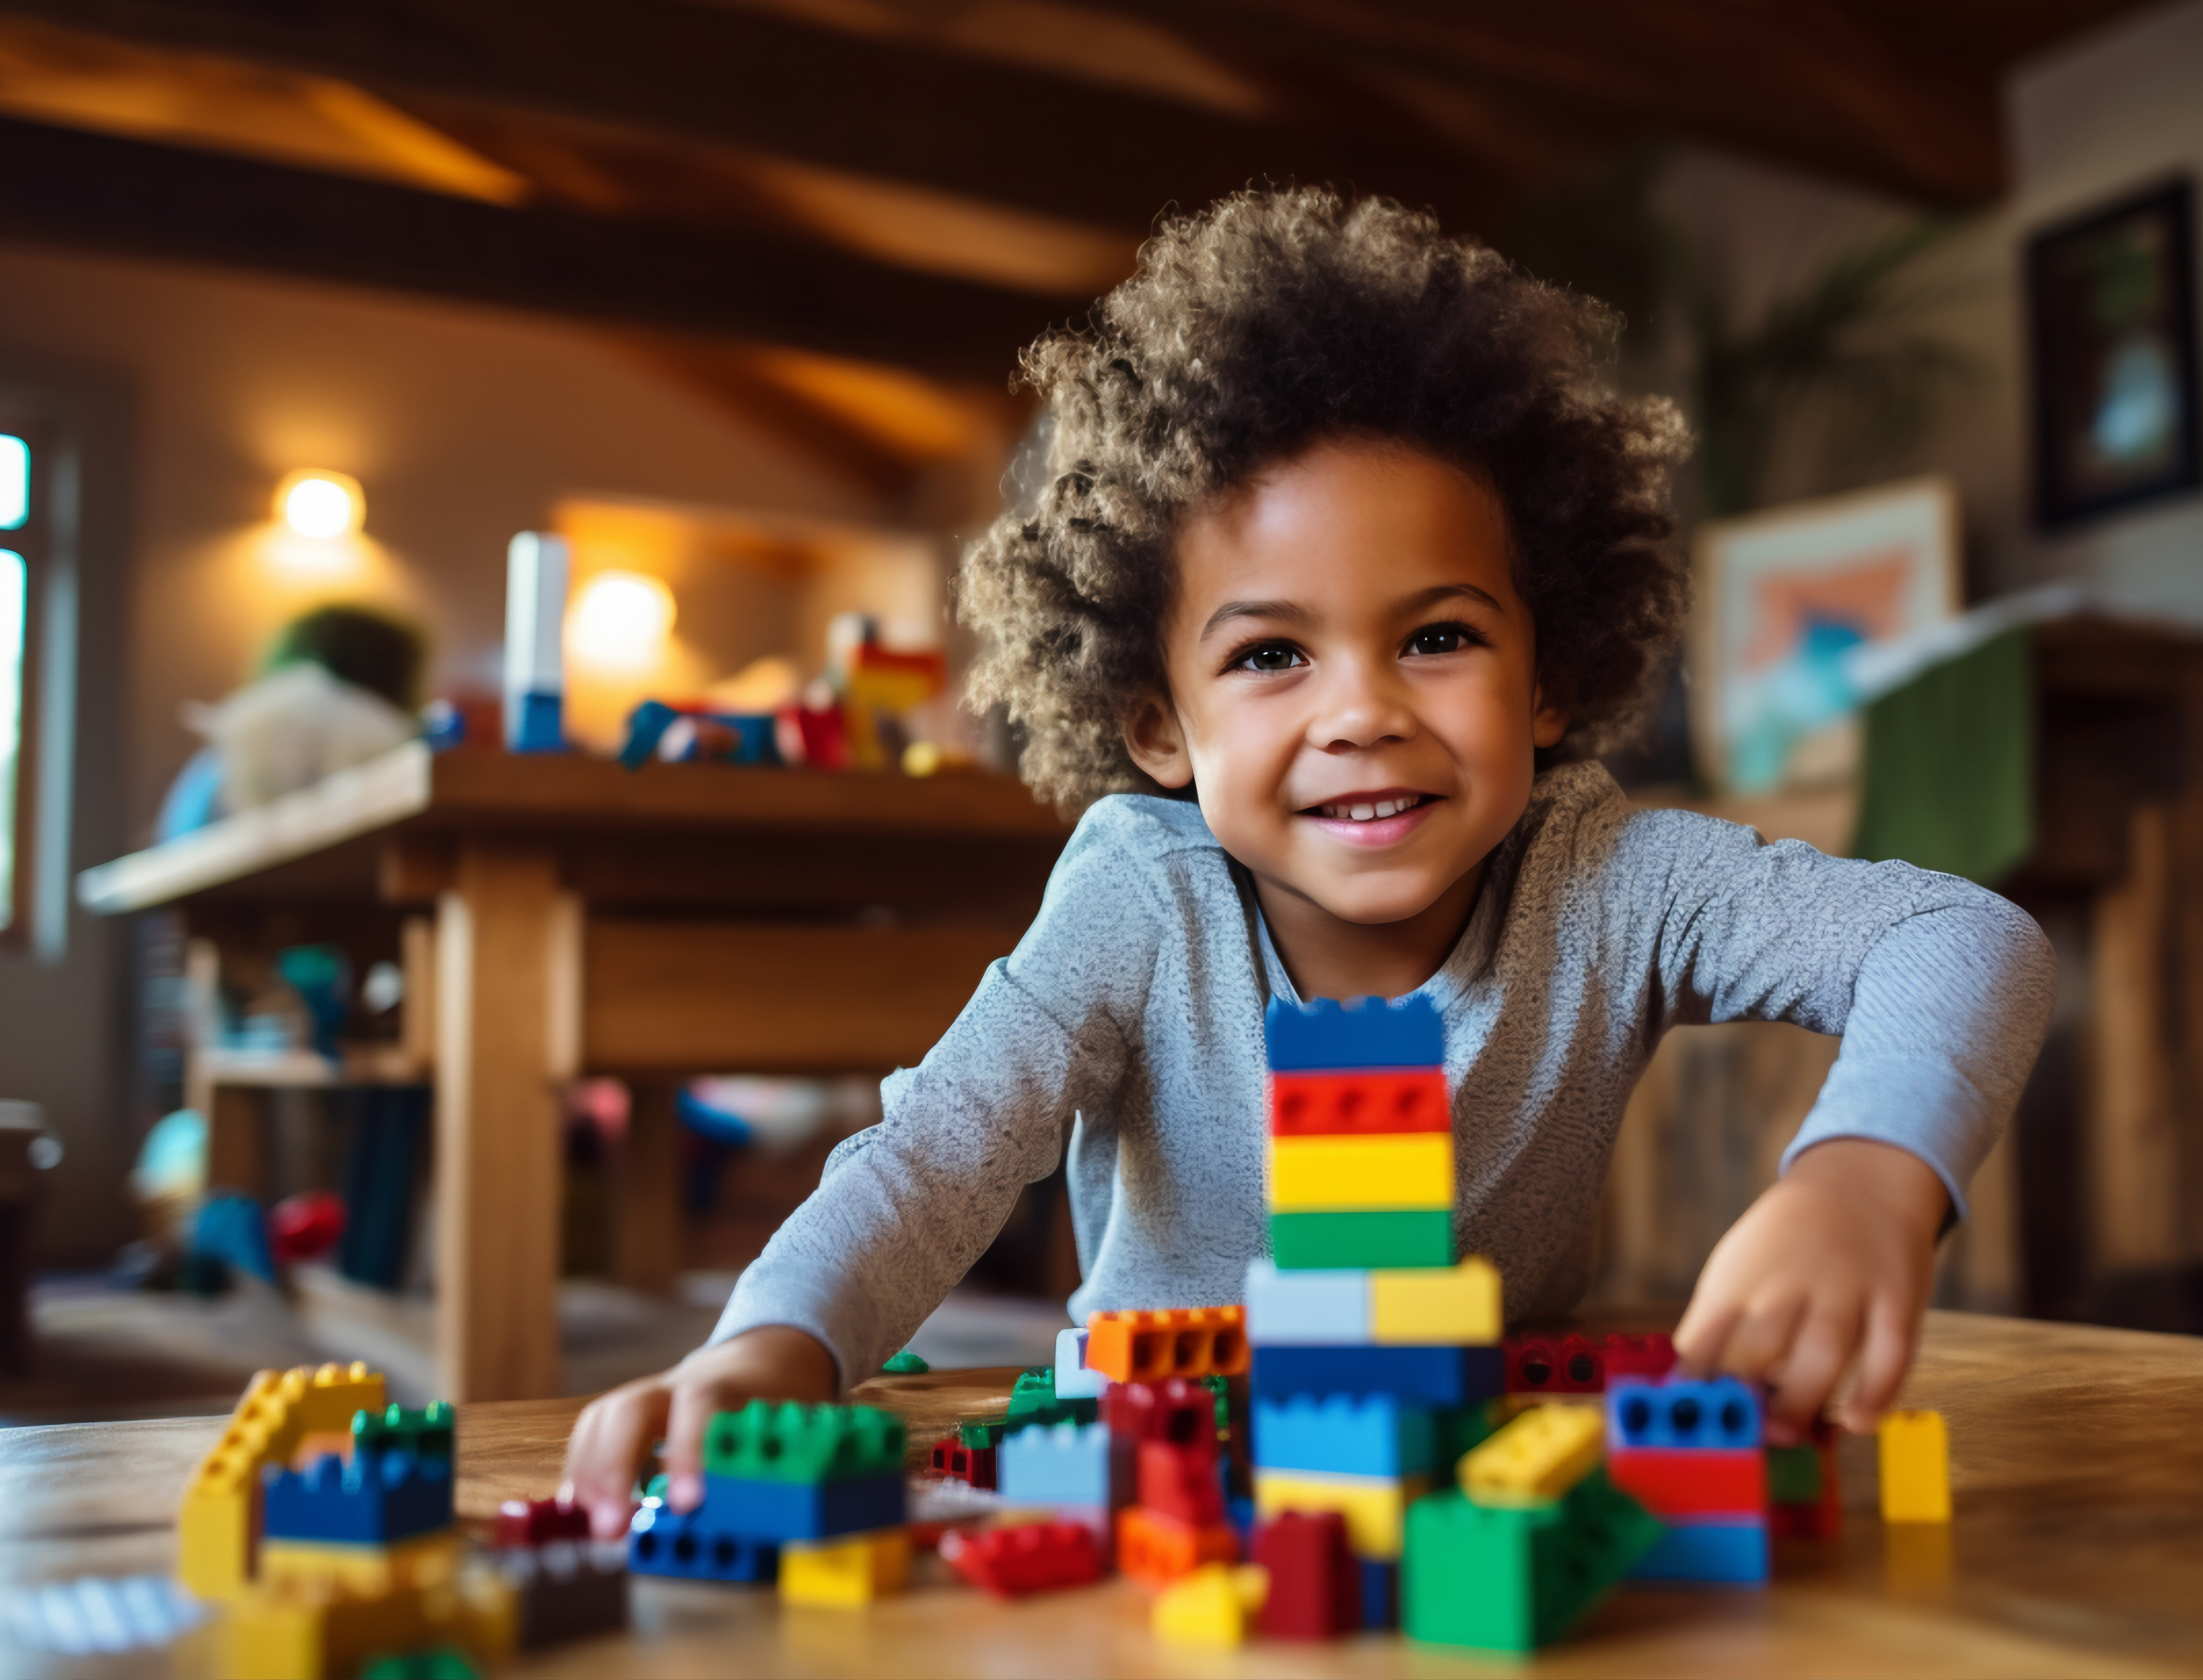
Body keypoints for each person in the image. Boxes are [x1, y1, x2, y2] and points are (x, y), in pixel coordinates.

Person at [560, 188, 2052, 1537]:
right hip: (1161, 1491)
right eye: (1272, 654)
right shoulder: (1142, 900)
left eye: (1439, 637)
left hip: (1466, 1484)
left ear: (1548, 681)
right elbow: (939, 1154)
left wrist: (1866, 1175)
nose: (1364, 713)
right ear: (1160, 728)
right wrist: (777, 1340)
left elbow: (1958, 936)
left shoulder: (1610, 875)